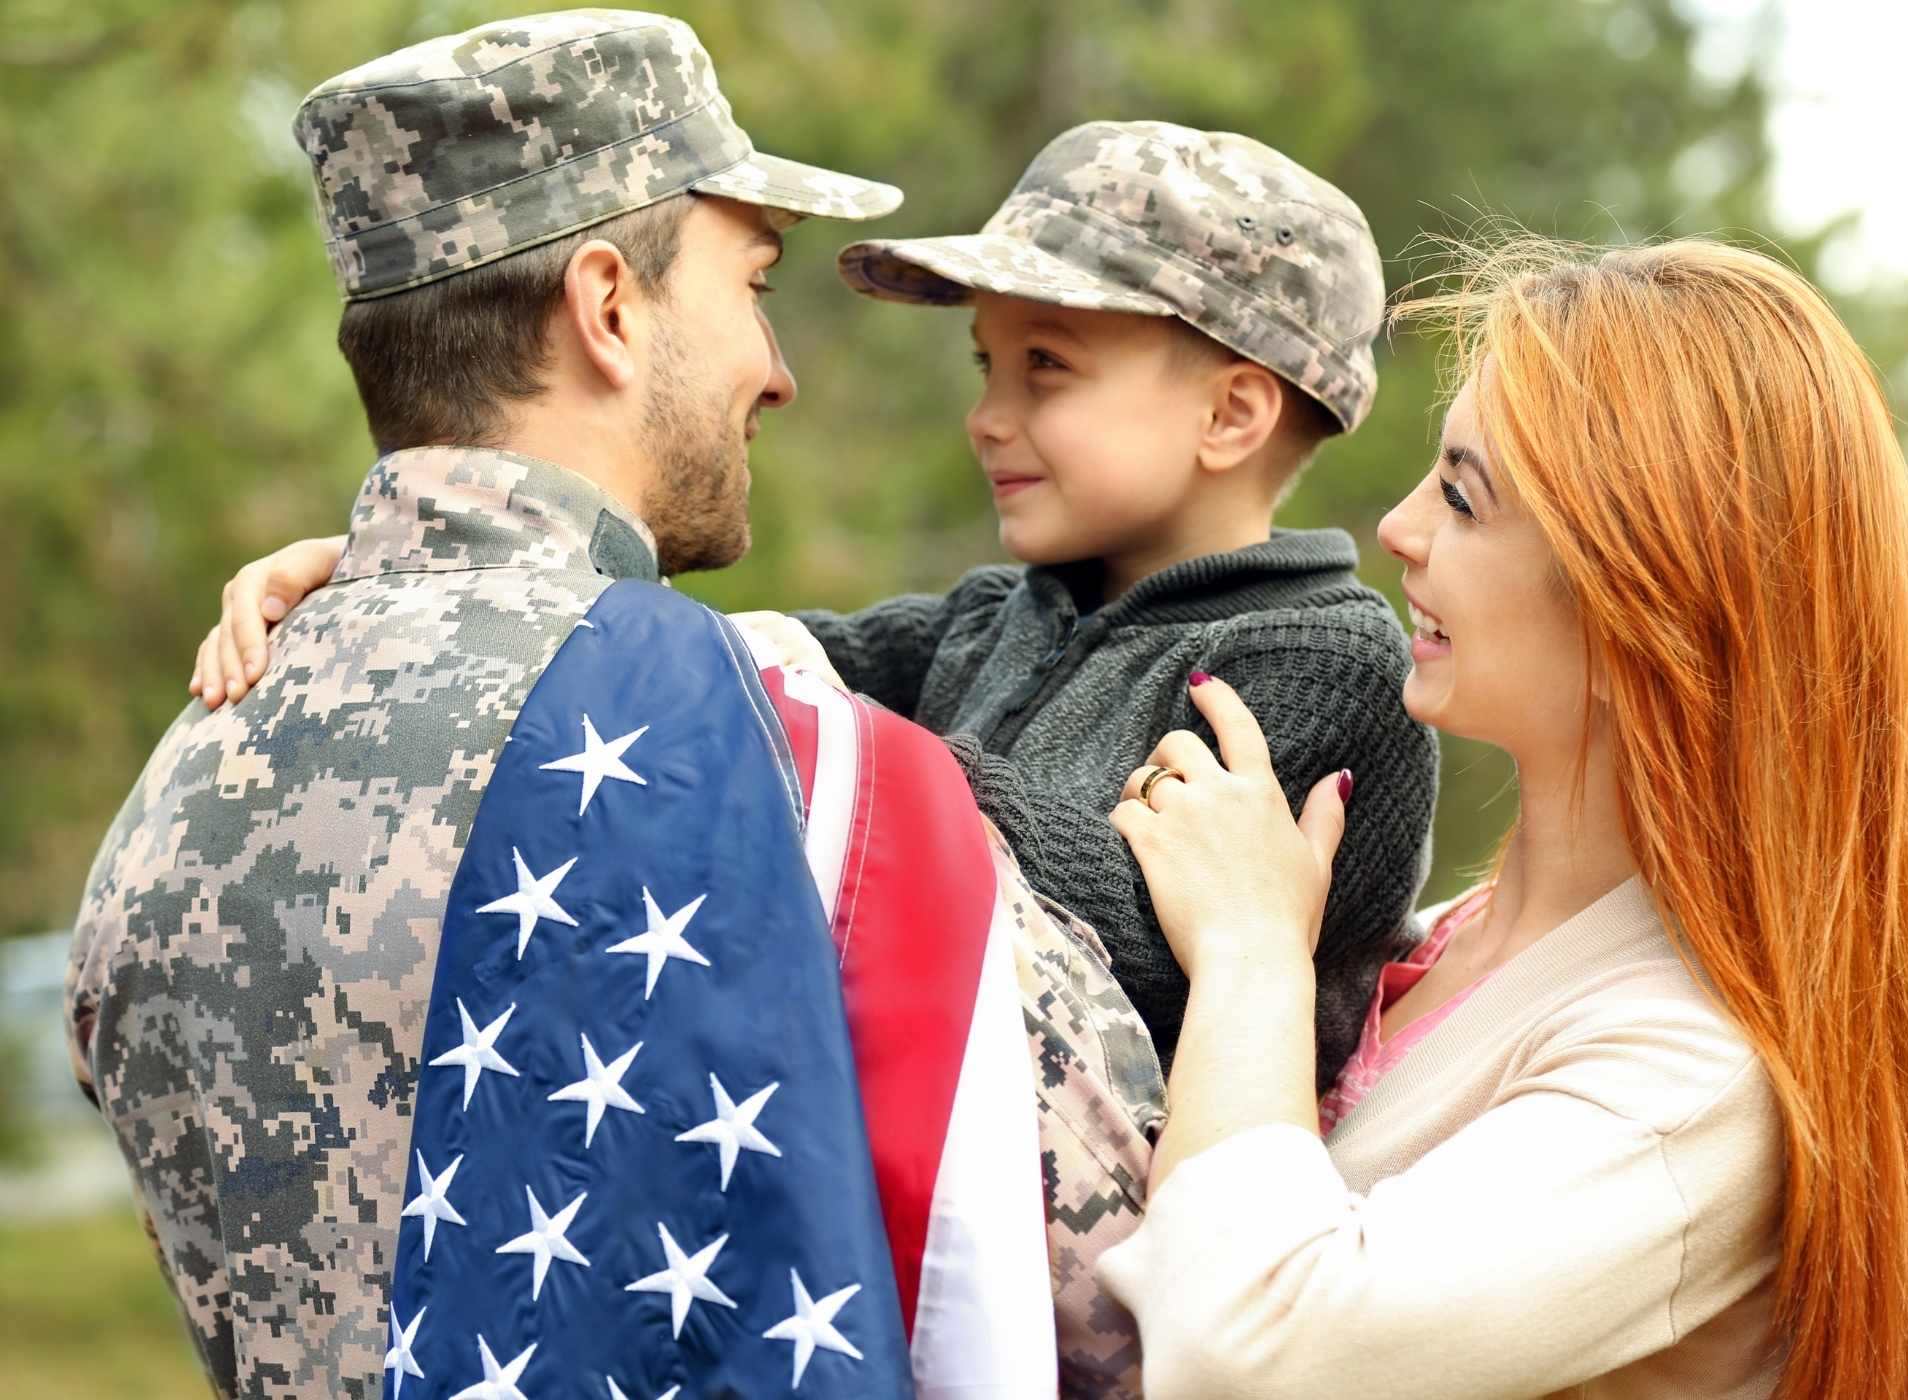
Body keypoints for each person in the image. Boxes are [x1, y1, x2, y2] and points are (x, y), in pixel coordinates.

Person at [65, 12, 1161, 1396]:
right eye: (752, 284)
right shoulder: (782, 769)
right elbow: (1153, 1310)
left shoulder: (173, 800)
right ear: (609, 308)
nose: (780, 367)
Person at [192, 119, 1441, 1093]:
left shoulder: (1317, 659)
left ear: (1230, 413)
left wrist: (865, 762)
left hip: (1154, 1266)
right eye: (984, 363)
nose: (987, 413)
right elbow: (725, 657)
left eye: (1045, 366)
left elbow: (1139, 943)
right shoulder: (994, 616)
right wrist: (445, 565)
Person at [1093, 236, 1908, 1398]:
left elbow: (1250, 1355)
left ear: (1643, 603)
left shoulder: (1689, 1078)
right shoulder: (1455, 940)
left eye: (1461, 497)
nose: (1399, 529)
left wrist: (1252, 949)